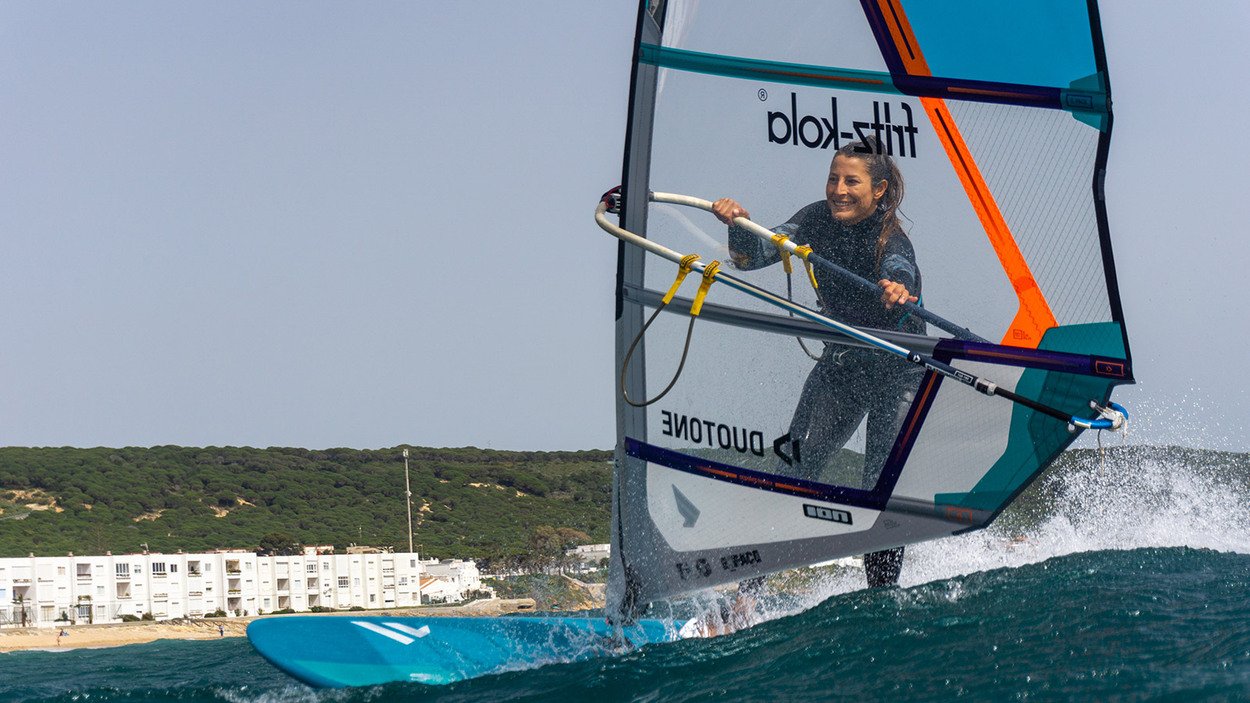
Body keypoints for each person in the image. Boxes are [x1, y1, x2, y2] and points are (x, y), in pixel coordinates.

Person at [712, 138, 923, 588]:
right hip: (843, 366)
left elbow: (902, 268)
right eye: (833, 178)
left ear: (879, 190)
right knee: (793, 470)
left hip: (898, 371)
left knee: (879, 488)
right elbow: (753, 255)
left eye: (851, 181)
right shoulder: (814, 220)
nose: (838, 190)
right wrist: (738, 225)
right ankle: (745, 599)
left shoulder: (891, 239)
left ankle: (881, 599)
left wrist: (899, 287)